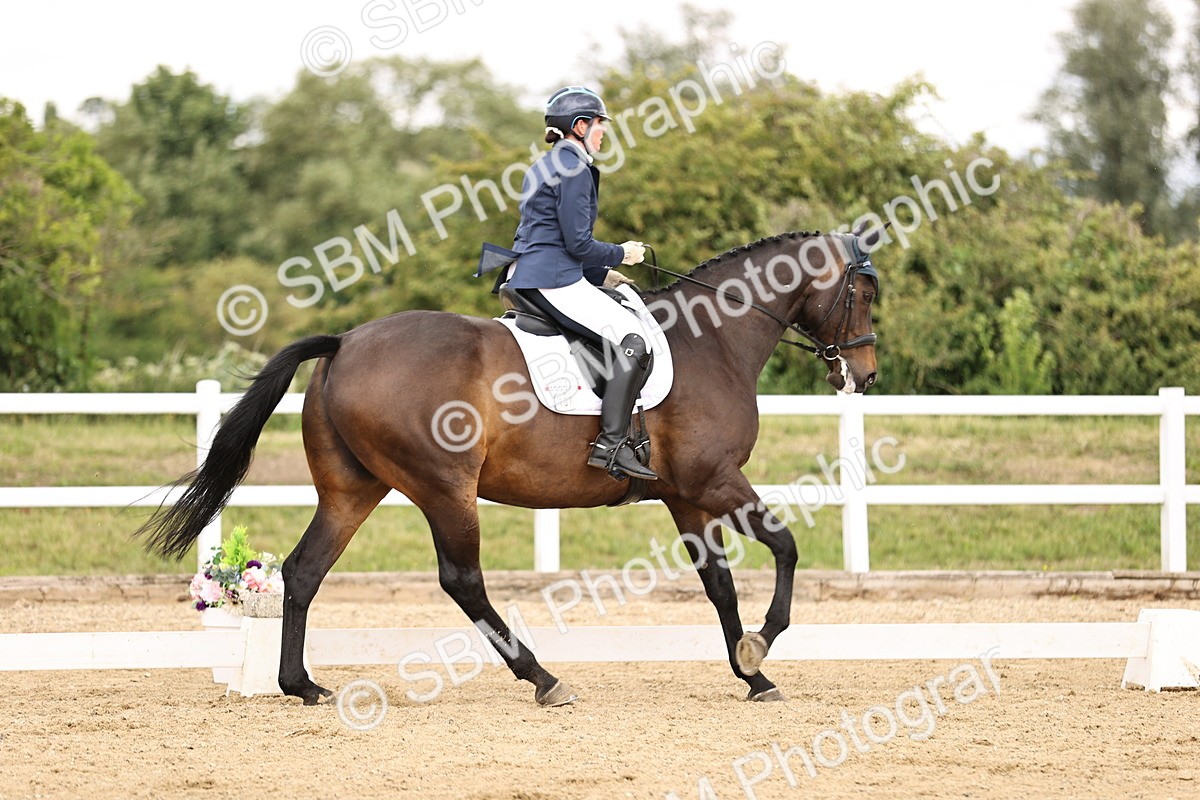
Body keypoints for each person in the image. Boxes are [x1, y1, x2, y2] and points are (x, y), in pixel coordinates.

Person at [484, 86, 656, 481]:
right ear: (580, 126)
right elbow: (577, 242)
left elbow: (547, 236)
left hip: (526, 274)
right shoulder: (575, 167)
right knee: (633, 340)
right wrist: (621, 253)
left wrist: (602, 275)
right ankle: (612, 446)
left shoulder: (543, 165)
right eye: (599, 125)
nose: (603, 133)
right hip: (552, 280)